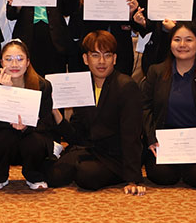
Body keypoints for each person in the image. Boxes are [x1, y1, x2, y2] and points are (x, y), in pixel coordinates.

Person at [49, 31, 145, 195]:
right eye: (95, 55)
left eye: (107, 55)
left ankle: (116, 174)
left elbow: (132, 135)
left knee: (87, 177)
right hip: (90, 150)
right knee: (53, 177)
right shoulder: (82, 85)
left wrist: (133, 179)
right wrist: (56, 113)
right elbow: (76, 135)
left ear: (114, 59)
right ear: (86, 59)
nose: (101, 61)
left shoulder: (125, 86)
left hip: (116, 156)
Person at [141, 22, 196, 188]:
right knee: (161, 175)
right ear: (170, 43)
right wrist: (151, 138)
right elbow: (145, 107)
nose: (182, 45)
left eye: (189, 40)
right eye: (177, 39)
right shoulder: (156, 72)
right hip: (166, 140)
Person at [0, 40, 57, 191]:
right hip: (5, 137)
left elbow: (46, 123)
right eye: (8, 59)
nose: (14, 64)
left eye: (20, 59)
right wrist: (5, 92)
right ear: (1, 62)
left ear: (28, 61)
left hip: (33, 136)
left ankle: (34, 175)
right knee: (4, 137)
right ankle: (0, 175)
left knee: (34, 141)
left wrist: (26, 127)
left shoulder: (42, 85)